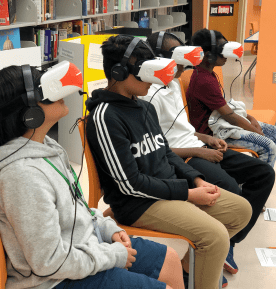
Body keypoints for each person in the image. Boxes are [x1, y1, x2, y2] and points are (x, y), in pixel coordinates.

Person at [0, 64, 186, 289]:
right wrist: (113, 256)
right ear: (30, 113)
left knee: (169, 259)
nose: (60, 95)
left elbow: (76, 208)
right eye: (46, 91)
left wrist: (107, 228)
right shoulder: (21, 176)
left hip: (84, 250)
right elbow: (48, 262)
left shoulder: (48, 148)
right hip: (55, 280)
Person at [86, 34, 253, 289]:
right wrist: (188, 194)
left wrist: (196, 180)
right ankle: (201, 271)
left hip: (169, 189)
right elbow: (130, 185)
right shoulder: (105, 117)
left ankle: (194, 265)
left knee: (241, 211)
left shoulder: (144, 108)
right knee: (216, 236)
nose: (152, 80)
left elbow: (166, 153)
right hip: (139, 203)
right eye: (144, 72)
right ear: (119, 73)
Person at [142, 31, 276, 286]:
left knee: (264, 174)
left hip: (197, 145)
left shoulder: (170, 84)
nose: (185, 63)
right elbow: (160, 147)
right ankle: (206, 252)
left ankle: (228, 242)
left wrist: (205, 139)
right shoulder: (149, 95)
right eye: (178, 57)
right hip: (183, 158)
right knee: (229, 189)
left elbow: (182, 128)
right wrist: (199, 151)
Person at [186, 28, 276, 168]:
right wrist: (255, 131)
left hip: (222, 123)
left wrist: (250, 118)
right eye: (222, 51)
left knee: (275, 133)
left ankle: (258, 176)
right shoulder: (204, 80)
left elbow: (224, 108)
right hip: (215, 133)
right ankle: (256, 183)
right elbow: (229, 115)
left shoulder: (208, 73)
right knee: (268, 146)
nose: (226, 56)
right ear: (208, 56)